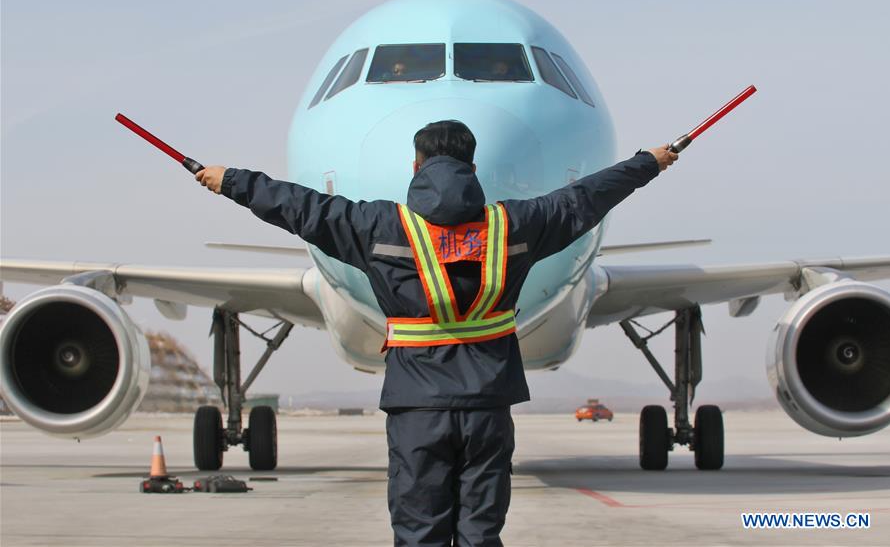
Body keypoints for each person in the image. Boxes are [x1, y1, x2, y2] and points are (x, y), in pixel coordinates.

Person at [196, 121, 677, 546]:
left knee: (419, 528)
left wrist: (231, 181)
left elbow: (303, 208)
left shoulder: (378, 227)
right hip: (489, 404)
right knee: (481, 531)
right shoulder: (513, 226)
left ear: (416, 166)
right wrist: (648, 163)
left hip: (417, 407)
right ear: (472, 164)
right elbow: (585, 199)